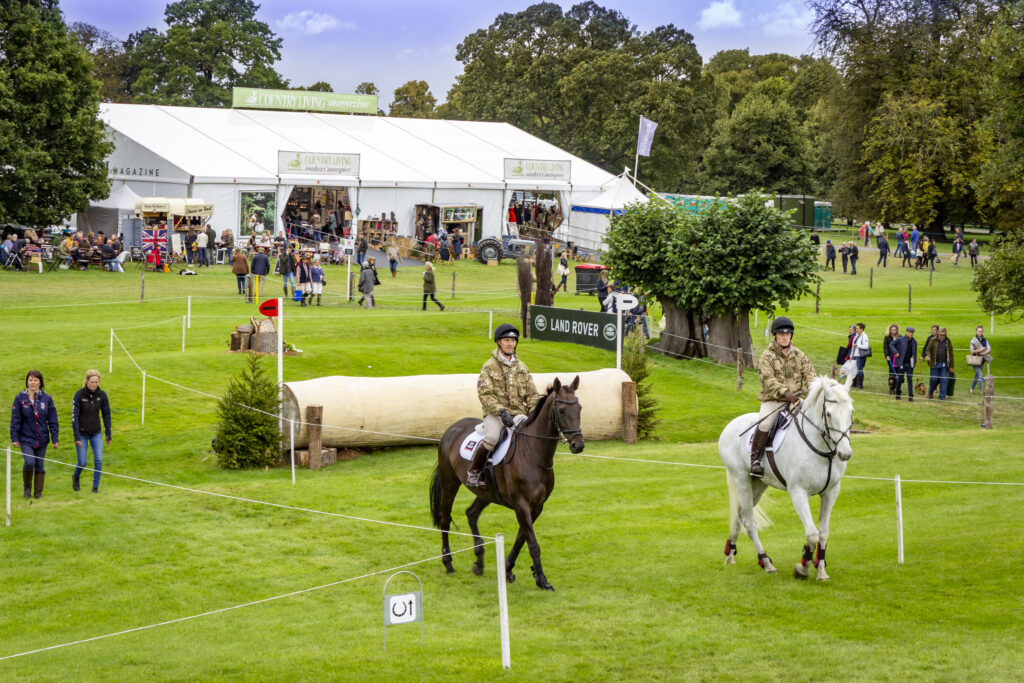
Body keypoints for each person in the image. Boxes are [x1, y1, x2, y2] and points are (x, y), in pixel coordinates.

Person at [467, 323, 545, 488]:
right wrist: (501, 411)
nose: (510, 343)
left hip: (519, 415)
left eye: (513, 340)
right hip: (496, 415)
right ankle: (474, 471)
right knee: (493, 437)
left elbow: (531, 395)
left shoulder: (522, 367)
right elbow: (485, 394)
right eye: (507, 340)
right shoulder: (488, 367)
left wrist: (535, 412)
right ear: (499, 342)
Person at [751, 317, 816, 478]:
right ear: (775, 335)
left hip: (797, 399)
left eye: (788, 334)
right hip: (774, 400)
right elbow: (768, 380)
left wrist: (815, 389)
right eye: (781, 334)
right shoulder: (767, 356)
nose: (785, 337)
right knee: (765, 423)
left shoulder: (800, 355)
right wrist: (786, 393)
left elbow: (810, 374)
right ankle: (755, 461)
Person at [10, 370, 59, 499]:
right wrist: (14, 438)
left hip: (42, 439)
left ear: (40, 382)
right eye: (30, 380)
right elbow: (15, 420)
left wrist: (55, 439)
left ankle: (38, 493)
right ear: (27, 381)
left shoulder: (47, 399)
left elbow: (53, 420)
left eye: (35, 380)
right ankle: (27, 488)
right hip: (25, 438)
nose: (32, 382)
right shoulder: (20, 398)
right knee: (29, 462)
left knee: (39, 465)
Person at [71, 369, 112, 493]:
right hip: (82, 434)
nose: (94, 384)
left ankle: (95, 487)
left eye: (96, 382)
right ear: (86, 381)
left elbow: (106, 414)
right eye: (91, 382)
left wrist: (108, 433)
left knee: (98, 460)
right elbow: (74, 417)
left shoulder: (102, 395)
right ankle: (76, 476)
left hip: (96, 433)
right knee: (82, 462)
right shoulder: (78, 395)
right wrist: (76, 436)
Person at [924, 327, 954, 400]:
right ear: (938, 334)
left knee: (944, 380)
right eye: (941, 335)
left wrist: (951, 366)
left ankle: (942, 396)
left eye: (944, 335)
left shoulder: (948, 341)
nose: (942, 336)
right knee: (934, 379)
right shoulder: (933, 340)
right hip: (934, 364)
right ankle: (930, 393)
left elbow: (951, 354)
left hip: (944, 364)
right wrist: (928, 356)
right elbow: (928, 350)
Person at [890, 326, 917, 401]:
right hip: (901, 363)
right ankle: (898, 394)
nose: (911, 334)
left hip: (909, 364)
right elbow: (891, 344)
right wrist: (896, 352)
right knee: (900, 380)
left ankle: (910, 396)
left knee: (910, 380)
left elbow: (915, 353)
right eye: (910, 332)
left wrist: (914, 363)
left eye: (912, 333)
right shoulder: (900, 339)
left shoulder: (914, 342)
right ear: (906, 332)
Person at [969, 325, 992, 394]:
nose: (980, 332)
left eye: (981, 331)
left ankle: (971, 388)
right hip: (974, 361)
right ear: (976, 331)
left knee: (977, 375)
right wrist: (981, 350)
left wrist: (984, 353)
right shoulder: (973, 339)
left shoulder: (985, 340)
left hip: (982, 361)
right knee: (980, 374)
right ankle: (981, 390)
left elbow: (989, 349)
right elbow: (972, 351)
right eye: (979, 331)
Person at [849, 323, 870, 389]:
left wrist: (858, 345)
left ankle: (860, 384)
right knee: (853, 369)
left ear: (862, 329)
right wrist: (851, 355)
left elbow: (866, 346)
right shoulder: (856, 335)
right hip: (855, 354)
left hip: (860, 356)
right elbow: (853, 346)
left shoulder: (865, 336)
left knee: (860, 369)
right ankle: (854, 383)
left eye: (858, 328)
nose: (856, 329)